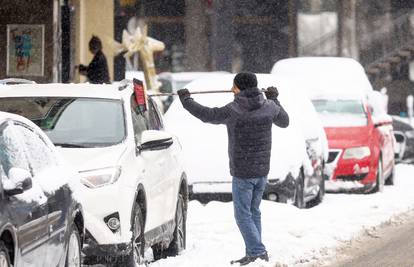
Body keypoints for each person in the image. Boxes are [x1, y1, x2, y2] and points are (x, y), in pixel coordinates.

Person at [177, 72, 289, 266]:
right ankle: (253, 254)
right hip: (262, 170)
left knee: (243, 214)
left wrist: (186, 100)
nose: (231, 89)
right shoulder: (269, 107)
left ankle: (258, 252)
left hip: (243, 171)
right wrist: (275, 99)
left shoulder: (234, 110)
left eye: (234, 86)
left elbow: (208, 115)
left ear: (239, 88)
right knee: (253, 212)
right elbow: (284, 121)